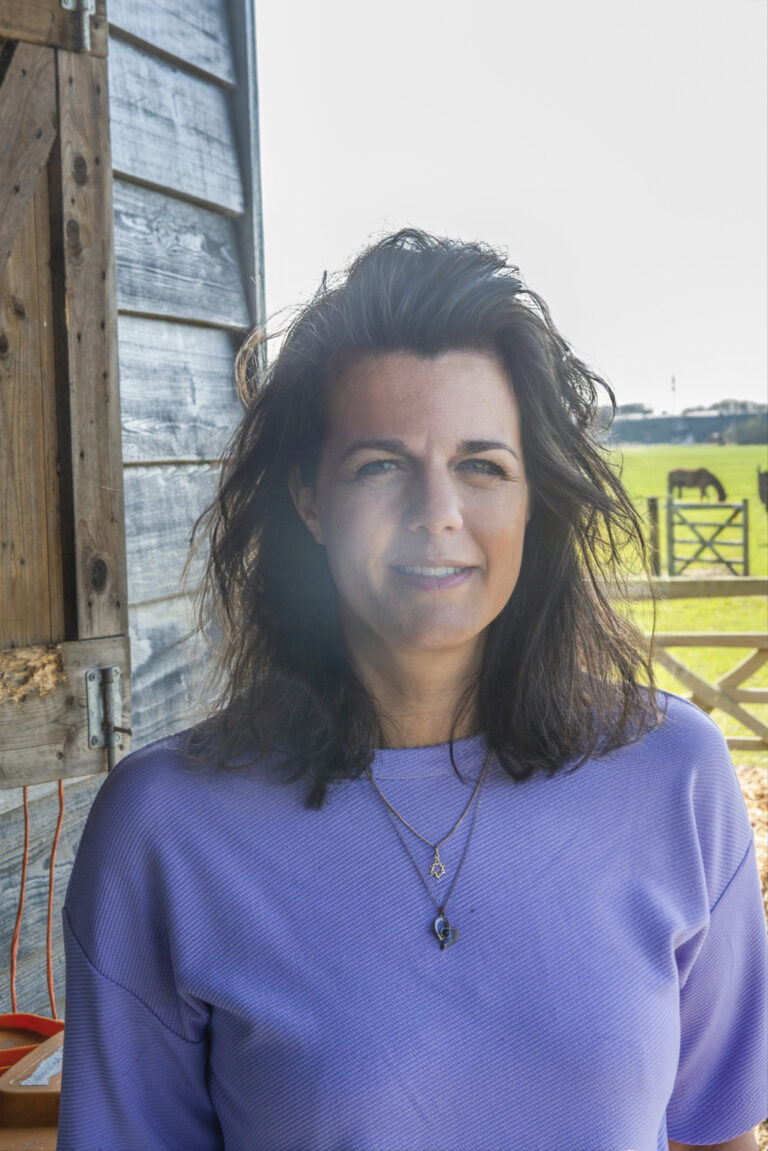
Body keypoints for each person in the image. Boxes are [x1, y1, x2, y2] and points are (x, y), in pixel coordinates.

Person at [56, 230, 767, 1151]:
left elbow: (717, 1134)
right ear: (309, 498)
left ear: (534, 497)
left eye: (483, 465)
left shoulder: (675, 775)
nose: (438, 512)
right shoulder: (163, 829)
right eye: (381, 464)